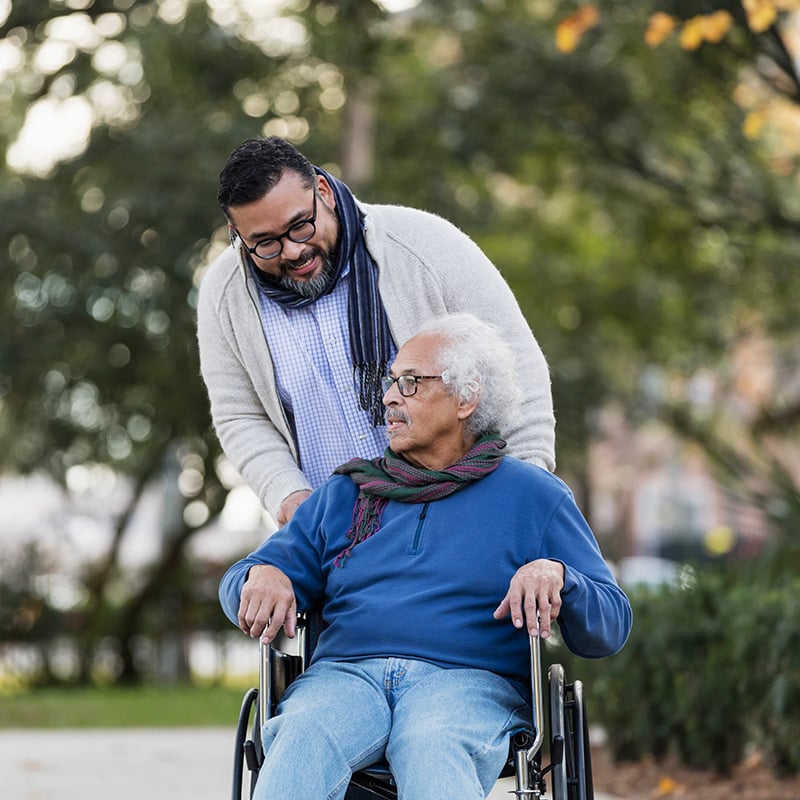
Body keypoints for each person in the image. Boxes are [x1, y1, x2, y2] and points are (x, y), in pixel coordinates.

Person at [219, 313, 632, 800]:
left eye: (411, 382)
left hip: (468, 683)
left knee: (431, 743)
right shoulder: (347, 493)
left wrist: (560, 576)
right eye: (391, 382)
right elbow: (241, 581)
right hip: (346, 677)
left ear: (466, 397)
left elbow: (610, 624)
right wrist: (260, 576)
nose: (390, 397)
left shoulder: (533, 496)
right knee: (302, 735)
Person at [197, 136, 555, 526]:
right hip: (340, 543)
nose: (292, 251)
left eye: (300, 225)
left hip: (464, 520)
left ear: (323, 191)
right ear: (236, 232)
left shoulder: (427, 244)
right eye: (265, 243)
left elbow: (516, 367)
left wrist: (524, 495)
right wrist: (287, 494)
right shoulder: (224, 294)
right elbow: (240, 415)